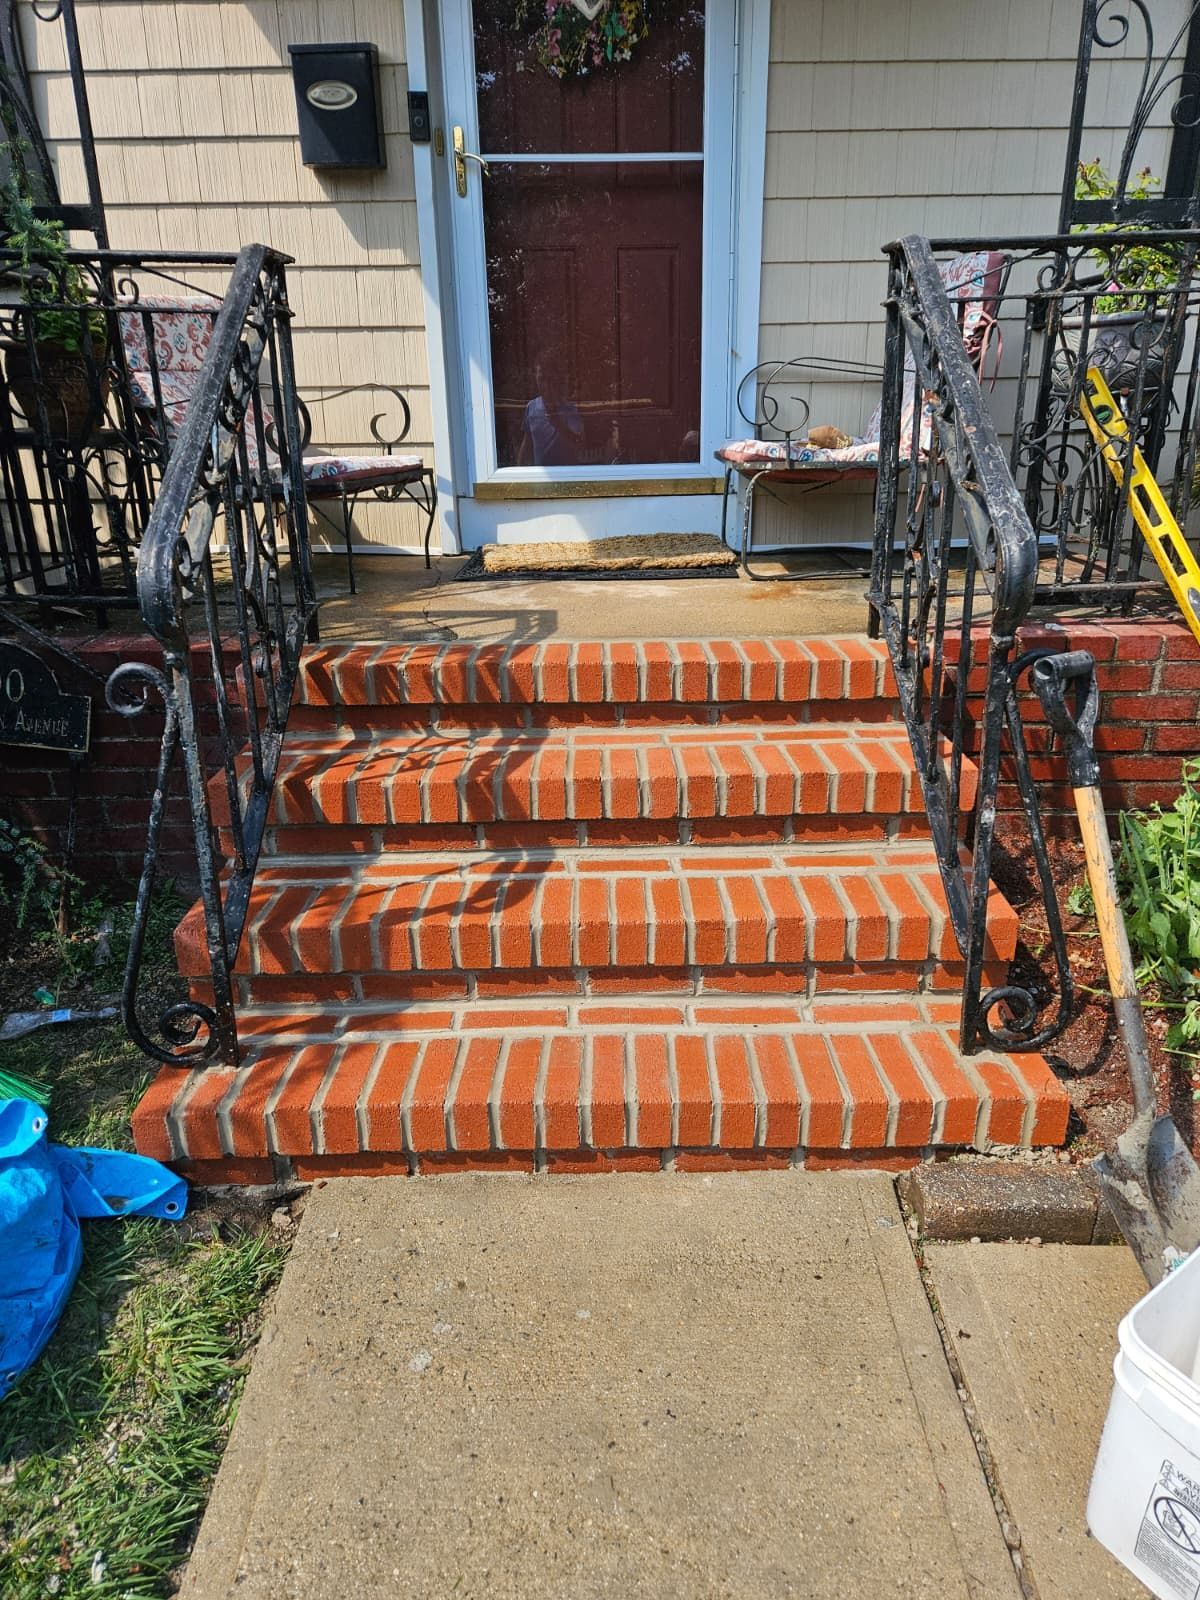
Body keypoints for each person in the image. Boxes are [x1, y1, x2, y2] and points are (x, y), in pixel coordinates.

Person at [518, 352, 585, 466]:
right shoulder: (531, 407)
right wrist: (518, 474)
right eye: (541, 378)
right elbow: (527, 444)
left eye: (550, 379)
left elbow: (579, 444)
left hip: (565, 478)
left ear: (557, 379)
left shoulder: (570, 408)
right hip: (540, 478)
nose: (546, 384)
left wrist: (559, 424)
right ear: (536, 378)